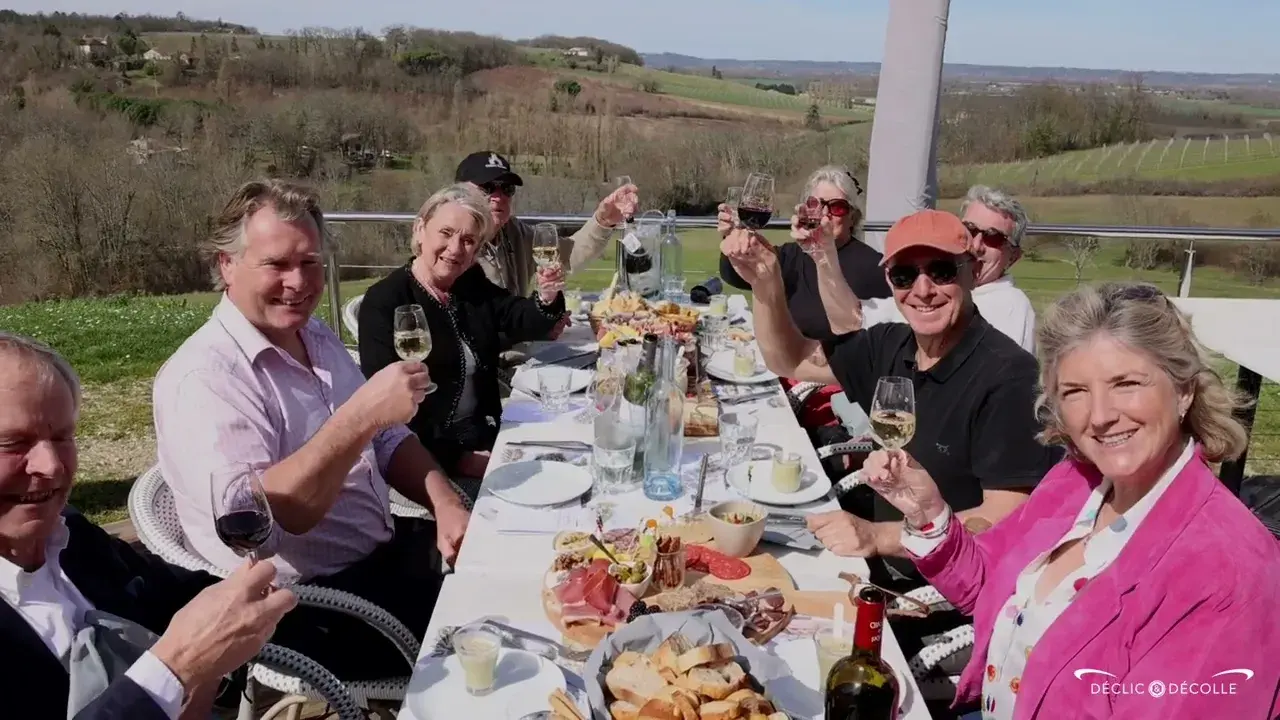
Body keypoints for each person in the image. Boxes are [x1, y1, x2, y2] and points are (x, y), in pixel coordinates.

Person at [861, 282, 1280, 719]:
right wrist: (927, 513)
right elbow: (993, 584)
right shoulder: (1077, 483)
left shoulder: (1228, 573)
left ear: (1184, 391)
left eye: (1126, 383)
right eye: (1076, 391)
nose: (1099, 415)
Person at [723, 209, 1063, 690]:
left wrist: (876, 537)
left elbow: (1006, 520)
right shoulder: (892, 344)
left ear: (972, 272)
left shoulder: (1008, 378)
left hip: (938, 598)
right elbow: (790, 357)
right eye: (905, 275)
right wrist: (766, 286)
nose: (922, 290)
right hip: (873, 565)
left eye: (941, 271)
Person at [153, 179, 471, 680]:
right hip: (313, 609)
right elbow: (267, 518)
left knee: (508, 566)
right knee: (490, 634)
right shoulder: (205, 379)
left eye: (309, 263)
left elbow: (386, 439)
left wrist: (447, 502)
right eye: (277, 264)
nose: (298, 282)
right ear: (226, 265)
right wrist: (363, 413)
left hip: (382, 557)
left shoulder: (313, 335)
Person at [1, 332, 296, 720]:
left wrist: (262, 605)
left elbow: (176, 594)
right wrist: (175, 669)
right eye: (13, 443)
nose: (52, 465)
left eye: (62, 437)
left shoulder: (70, 536)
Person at [358, 184, 567, 486]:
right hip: (427, 456)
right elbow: (388, 413)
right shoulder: (384, 302)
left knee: (560, 458)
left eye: (469, 240)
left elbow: (517, 316)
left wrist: (547, 296)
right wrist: (460, 459)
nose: (456, 249)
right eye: (446, 233)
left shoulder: (468, 282)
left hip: (485, 434)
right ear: (420, 230)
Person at [717, 166, 895, 435]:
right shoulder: (793, 255)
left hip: (823, 391)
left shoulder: (872, 267)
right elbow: (740, 276)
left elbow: (874, 347)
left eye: (836, 207)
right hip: (777, 370)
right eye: (815, 205)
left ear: (852, 216)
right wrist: (733, 239)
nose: (824, 214)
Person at [456, 150, 637, 297]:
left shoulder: (515, 233)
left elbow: (569, 255)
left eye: (506, 188)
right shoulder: (450, 245)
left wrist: (604, 221)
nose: (498, 197)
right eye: (487, 188)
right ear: (460, 193)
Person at [959, 185, 1037, 353]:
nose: (977, 245)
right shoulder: (928, 282)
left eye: (993, 237)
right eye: (969, 230)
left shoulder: (1012, 309)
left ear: (1013, 256)